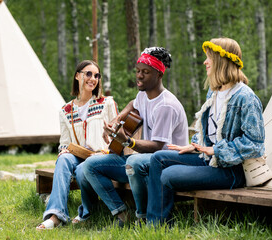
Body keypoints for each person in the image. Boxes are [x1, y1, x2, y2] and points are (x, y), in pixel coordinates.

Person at [147, 37, 265, 226]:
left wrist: (216, 150)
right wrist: (195, 146)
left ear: (221, 61)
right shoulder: (214, 93)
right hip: (208, 159)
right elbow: (208, 133)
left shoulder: (246, 98)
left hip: (231, 170)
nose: (205, 62)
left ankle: (158, 225)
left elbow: (255, 144)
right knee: (159, 158)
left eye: (209, 57)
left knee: (169, 175)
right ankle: (155, 225)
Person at [75, 47, 188, 226]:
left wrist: (127, 141)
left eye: (145, 72)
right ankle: (121, 213)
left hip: (166, 163)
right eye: (138, 71)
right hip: (142, 161)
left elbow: (158, 147)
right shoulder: (144, 95)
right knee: (89, 166)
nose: (139, 76)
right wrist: (116, 119)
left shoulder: (166, 105)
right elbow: (132, 103)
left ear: (159, 75)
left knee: (133, 163)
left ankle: (142, 216)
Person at [36, 60, 118, 230]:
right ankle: (55, 215)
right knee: (64, 158)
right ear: (77, 76)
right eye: (88, 74)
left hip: (102, 158)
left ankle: (86, 213)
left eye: (96, 75)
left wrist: (104, 152)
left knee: (82, 170)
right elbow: (64, 143)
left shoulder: (106, 103)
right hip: (78, 156)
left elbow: (118, 137)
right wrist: (63, 150)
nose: (93, 79)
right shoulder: (65, 110)